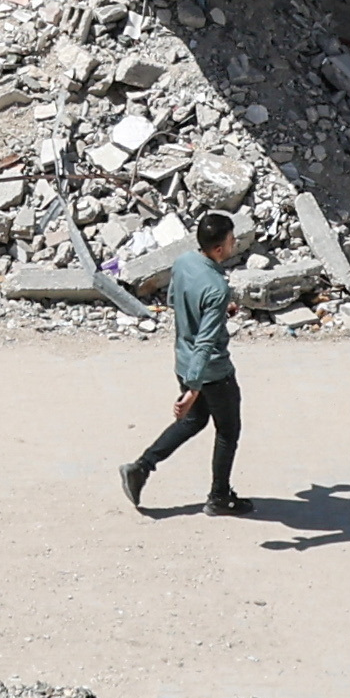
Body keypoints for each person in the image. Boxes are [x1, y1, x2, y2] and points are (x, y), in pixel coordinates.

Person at [114, 209, 244, 517]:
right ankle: (219, 497)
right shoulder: (217, 287)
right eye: (231, 240)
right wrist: (194, 390)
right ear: (218, 249)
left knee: (193, 421)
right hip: (212, 372)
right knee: (228, 431)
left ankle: (141, 467)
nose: (235, 243)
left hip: (183, 362)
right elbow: (205, 343)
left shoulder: (184, 261)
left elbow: (176, 300)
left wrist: (217, 311)